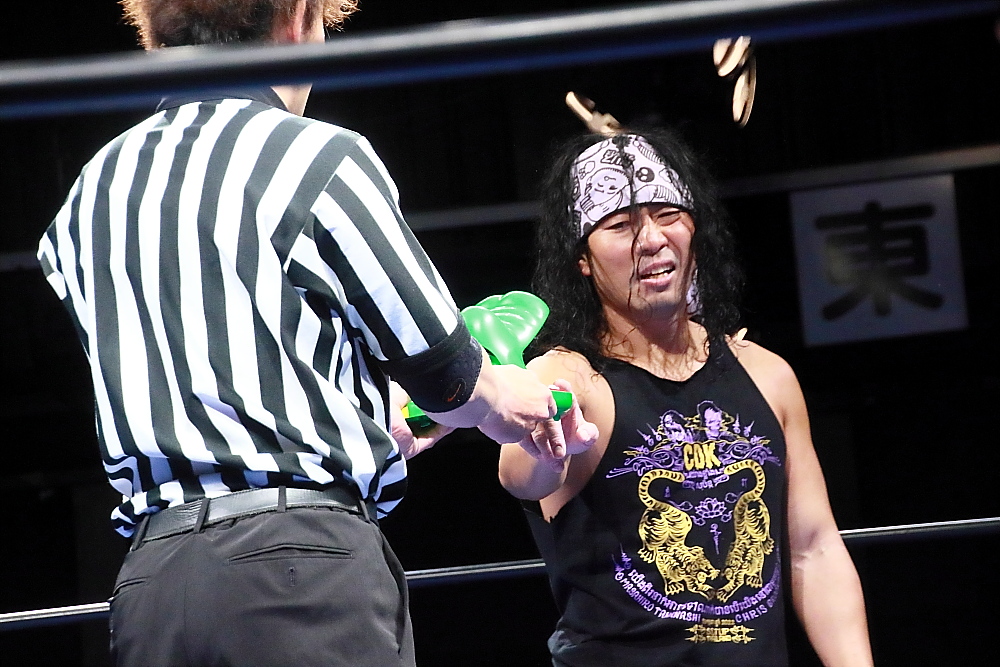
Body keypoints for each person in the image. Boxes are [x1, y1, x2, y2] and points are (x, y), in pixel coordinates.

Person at [35, 2, 560, 665]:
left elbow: (195, 379)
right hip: (297, 570)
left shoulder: (91, 190)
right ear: (298, 17)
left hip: (153, 580)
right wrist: (510, 397)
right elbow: (449, 374)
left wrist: (367, 424)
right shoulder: (318, 157)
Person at [497, 129, 874, 666]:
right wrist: (544, 441)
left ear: (694, 229)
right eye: (621, 225)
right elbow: (521, 477)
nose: (651, 239)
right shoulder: (572, 376)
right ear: (582, 258)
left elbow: (813, 549)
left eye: (667, 215)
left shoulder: (766, 375)